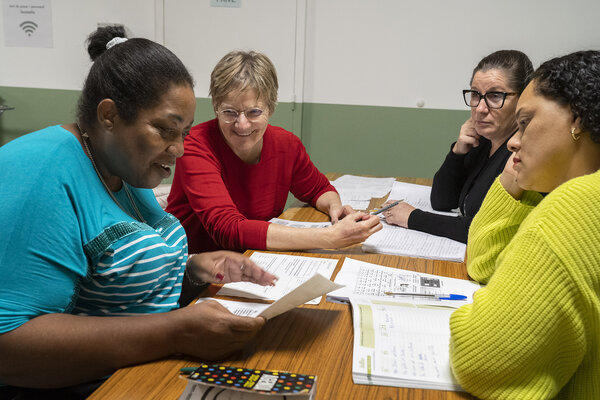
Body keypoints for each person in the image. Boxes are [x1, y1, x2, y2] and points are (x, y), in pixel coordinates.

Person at [0, 26, 277, 395]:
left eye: (186, 133)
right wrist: (174, 332)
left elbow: (118, 286)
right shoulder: (41, 172)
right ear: (110, 115)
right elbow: (9, 347)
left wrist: (193, 270)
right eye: (165, 130)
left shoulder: (123, 167)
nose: (179, 149)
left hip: (144, 371)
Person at [449, 50, 600, 398]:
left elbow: (481, 359)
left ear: (578, 118)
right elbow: (483, 263)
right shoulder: (561, 189)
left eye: (526, 123)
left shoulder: (577, 204)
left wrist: (468, 315)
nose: (515, 141)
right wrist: (513, 182)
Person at [166, 50, 381, 253]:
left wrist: (335, 209)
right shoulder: (195, 145)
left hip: (251, 258)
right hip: (191, 270)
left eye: (254, 112)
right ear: (216, 108)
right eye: (229, 112)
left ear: (271, 108)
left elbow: (318, 189)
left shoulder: (286, 144)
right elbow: (227, 229)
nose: (242, 125)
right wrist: (330, 237)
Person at [383, 50, 533, 243]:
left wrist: (413, 218)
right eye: (475, 95)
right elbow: (442, 201)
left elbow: (483, 228)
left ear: (522, 100)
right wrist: (458, 152)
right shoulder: (482, 142)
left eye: (495, 96)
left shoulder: (522, 154)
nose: (479, 108)